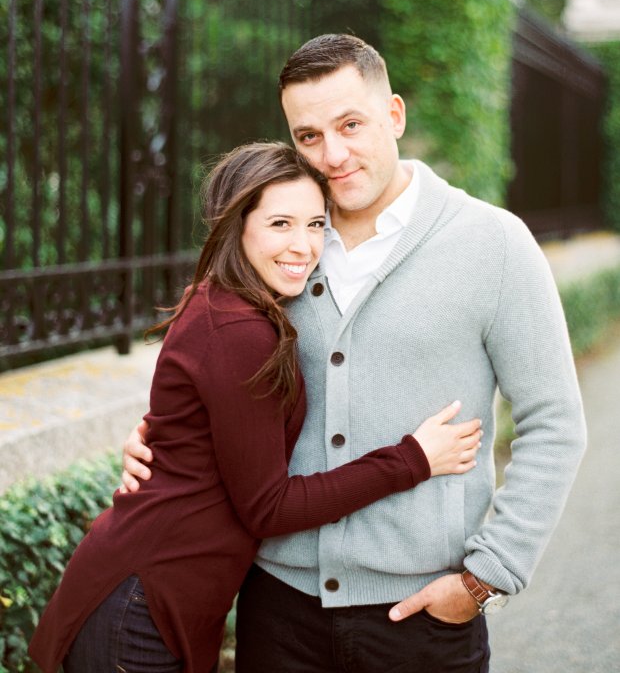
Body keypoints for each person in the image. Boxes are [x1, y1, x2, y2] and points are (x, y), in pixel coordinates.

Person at [122, 35, 587, 672]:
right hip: (277, 608)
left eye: (350, 125)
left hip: (424, 615)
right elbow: (215, 369)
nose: (332, 155)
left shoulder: (493, 244)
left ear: (393, 115)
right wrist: (159, 439)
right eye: (308, 136)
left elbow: (555, 423)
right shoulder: (282, 250)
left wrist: (486, 577)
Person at [28, 142, 483, 673]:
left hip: (155, 590)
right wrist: (413, 459)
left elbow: (194, 422)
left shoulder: (226, 303)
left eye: (316, 225)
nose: (303, 246)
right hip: (143, 599)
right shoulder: (240, 328)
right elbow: (268, 508)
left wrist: (151, 432)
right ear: (237, 226)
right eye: (280, 224)